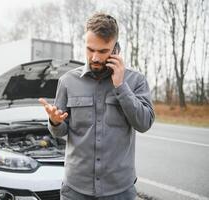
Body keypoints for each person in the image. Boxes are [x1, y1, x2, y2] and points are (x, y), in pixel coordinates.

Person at [39, 13, 155, 200]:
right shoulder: (67, 81)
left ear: (116, 48)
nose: (95, 57)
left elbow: (144, 123)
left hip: (119, 191)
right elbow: (59, 132)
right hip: (75, 190)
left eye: (103, 51)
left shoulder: (135, 80)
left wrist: (121, 86)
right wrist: (54, 122)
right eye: (90, 49)